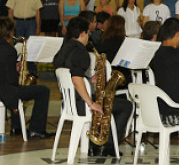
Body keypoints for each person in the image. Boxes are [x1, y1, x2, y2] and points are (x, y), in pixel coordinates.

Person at [54, 17, 132, 157]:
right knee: (126, 106)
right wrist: (91, 103)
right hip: (81, 104)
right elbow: (76, 78)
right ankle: (107, 146)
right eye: (88, 34)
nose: (88, 38)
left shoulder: (63, 49)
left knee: (106, 101)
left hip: (69, 102)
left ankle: (95, 144)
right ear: (83, 33)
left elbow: (71, 75)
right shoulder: (80, 52)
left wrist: (89, 80)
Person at [0, 18, 53, 139]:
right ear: (9, 32)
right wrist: (17, 71)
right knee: (43, 91)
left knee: (14, 89)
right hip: (1, 92)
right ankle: (36, 129)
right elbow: (11, 80)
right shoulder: (9, 50)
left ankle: (16, 127)